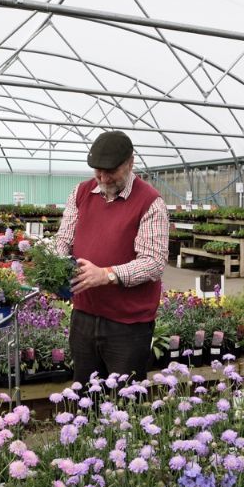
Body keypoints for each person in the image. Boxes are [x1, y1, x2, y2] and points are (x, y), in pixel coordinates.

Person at [56, 131, 169, 386]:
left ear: (130, 163)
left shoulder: (150, 202)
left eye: (111, 171)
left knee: (125, 397)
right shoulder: (81, 193)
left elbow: (153, 262)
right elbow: (64, 239)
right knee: (85, 394)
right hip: (84, 317)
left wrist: (106, 274)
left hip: (128, 325)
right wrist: (56, 266)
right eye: (98, 171)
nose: (104, 178)